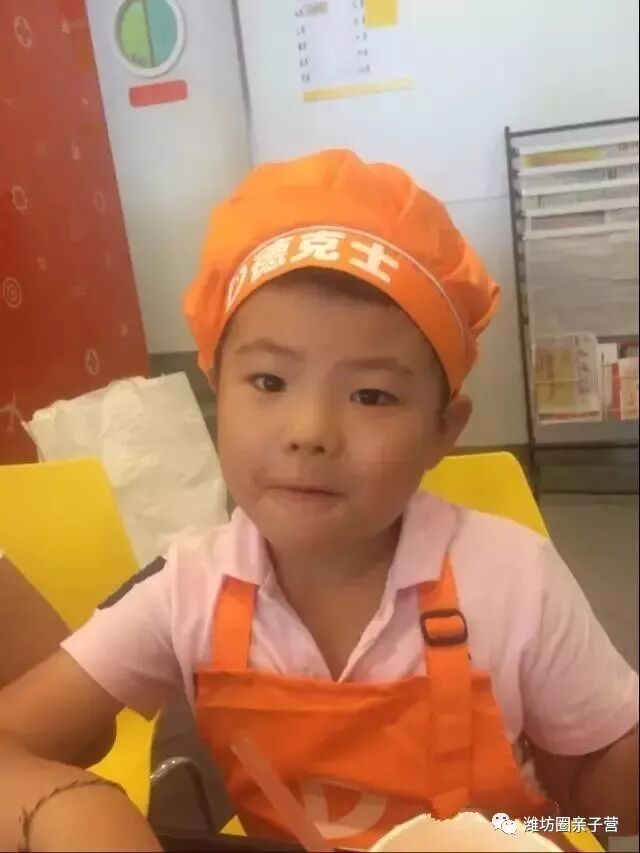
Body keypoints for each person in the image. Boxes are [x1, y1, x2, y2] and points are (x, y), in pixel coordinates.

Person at [0, 150, 637, 852]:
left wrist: (553, 824)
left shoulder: (512, 580)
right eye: (269, 382)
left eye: (371, 394)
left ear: (442, 430)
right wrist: (61, 804)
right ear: (217, 394)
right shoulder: (188, 591)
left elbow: (599, 795)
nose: (309, 431)